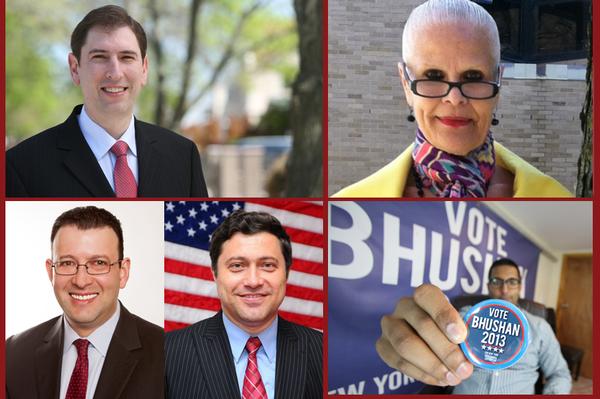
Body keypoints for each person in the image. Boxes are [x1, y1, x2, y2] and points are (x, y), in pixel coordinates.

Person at [334, 0, 572, 198]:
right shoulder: (347, 204)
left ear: (498, 82)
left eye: (473, 76)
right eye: (434, 76)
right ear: (405, 83)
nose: (455, 98)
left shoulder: (561, 204)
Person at [6, 5, 208, 197]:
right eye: (100, 57)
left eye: (127, 57)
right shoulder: (22, 166)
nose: (115, 72)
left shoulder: (183, 156)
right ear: (75, 68)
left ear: (144, 69)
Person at [5, 206, 164, 399]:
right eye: (67, 263)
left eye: (98, 263)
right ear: (51, 271)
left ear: (123, 272)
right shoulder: (13, 354)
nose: (81, 281)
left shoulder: (168, 354)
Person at [165, 211, 322, 399]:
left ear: (286, 273)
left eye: (268, 265)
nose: (253, 281)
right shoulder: (166, 353)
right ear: (215, 274)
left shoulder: (324, 351)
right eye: (237, 266)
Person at [376, 258, 572, 394]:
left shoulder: (540, 327)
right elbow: (430, 335)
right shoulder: (464, 318)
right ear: (488, 285)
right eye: (497, 281)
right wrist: (413, 334)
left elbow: (560, 374)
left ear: (520, 286)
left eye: (512, 282)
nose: (504, 289)